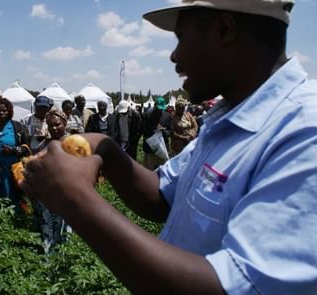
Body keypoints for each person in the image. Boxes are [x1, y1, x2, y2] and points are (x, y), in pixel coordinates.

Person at [19, 1, 317, 294]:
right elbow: (162, 194)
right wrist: (106, 150)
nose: (174, 56)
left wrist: (76, 200)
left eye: (181, 37)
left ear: (224, 30)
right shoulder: (227, 118)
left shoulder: (304, 133)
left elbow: (233, 287)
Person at [31, 109, 69, 254]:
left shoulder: (70, 143)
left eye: (57, 124)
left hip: (62, 194)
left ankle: (60, 261)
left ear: (64, 124)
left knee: (61, 229)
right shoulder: (44, 143)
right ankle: (47, 260)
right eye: (50, 125)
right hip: (45, 195)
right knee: (47, 228)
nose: (54, 128)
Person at [0, 97, 30, 209]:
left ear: (9, 111)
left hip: (13, 171)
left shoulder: (17, 127)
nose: (1, 113)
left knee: (14, 200)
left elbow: (27, 148)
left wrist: (14, 150)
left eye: (4, 110)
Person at [141, 96, 174, 170]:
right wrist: (153, 129)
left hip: (162, 149)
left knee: (162, 170)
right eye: (158, 108)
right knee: (150, 171)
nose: (159, 110)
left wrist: (163, 130)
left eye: (161, 109)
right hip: (150, 148)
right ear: (155, 105)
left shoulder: (168, 116)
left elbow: (171, 131)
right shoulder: (147, 115)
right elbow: (143, 130)